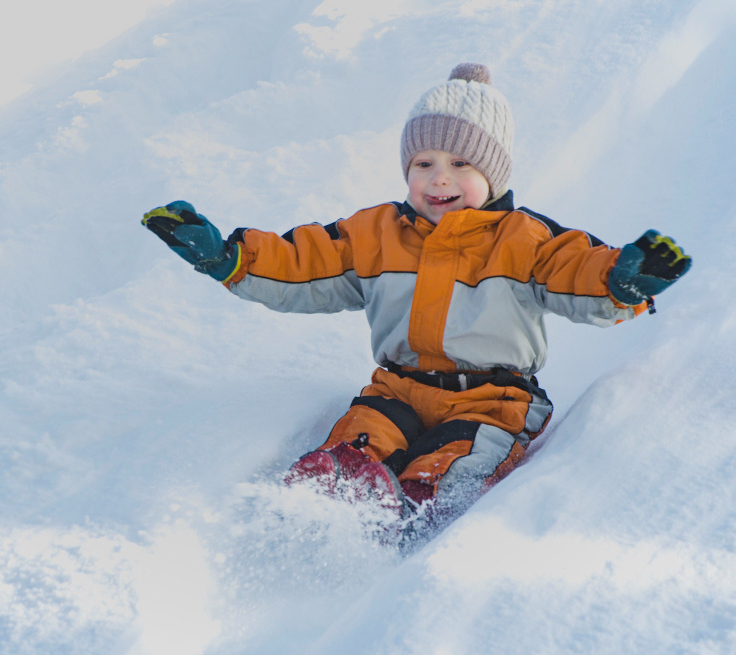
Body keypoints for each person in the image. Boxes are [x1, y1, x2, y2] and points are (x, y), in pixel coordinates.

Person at [140, 63, 691, 544]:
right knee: (362, 437)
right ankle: (322, 499)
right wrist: (230, 259)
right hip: (397, 387)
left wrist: (621, 283)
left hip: (493, 399)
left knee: (450, 466)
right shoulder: (374, 232)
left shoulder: (524, 238)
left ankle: (410, 518)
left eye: (460, 164)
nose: (439, 179)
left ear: (493, 173)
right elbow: (302, 265)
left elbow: (577, 272)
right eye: (423, 163)